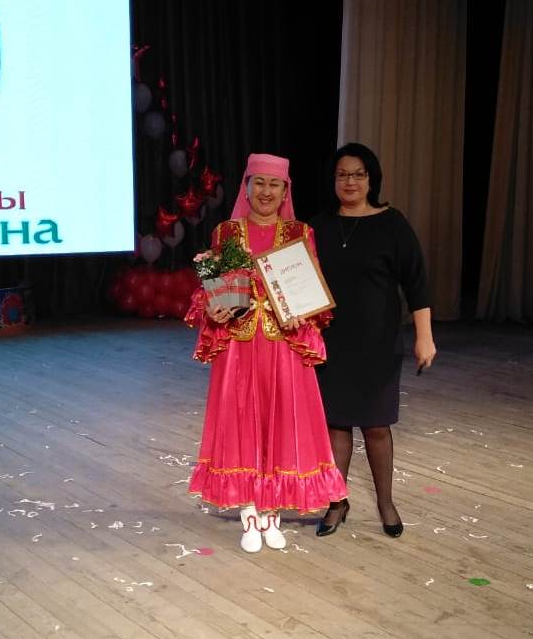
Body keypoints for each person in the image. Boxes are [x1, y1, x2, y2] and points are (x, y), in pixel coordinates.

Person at [185, 153, 348, 553]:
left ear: (285, 191)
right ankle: (249, 513)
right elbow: (213, 287)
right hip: (239, 348)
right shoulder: (227, 232)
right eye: (258, 182)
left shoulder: (299, 233)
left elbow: (313, 292)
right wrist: (212, 307)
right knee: (241, 423)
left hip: (283, 346)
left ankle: (272, 513)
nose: (266, 192)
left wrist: (305, 311)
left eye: (274, 184)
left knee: (282, 422)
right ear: (246, 187)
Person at [309, 142, 437, 538]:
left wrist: (425, 337)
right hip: (330, 342)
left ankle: (385, 502)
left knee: (377, 426)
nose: (350, 181)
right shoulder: (317, 227)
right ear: (333, 180)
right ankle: (337, 502)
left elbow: (416, 283)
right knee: (337, 425)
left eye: (358, 174)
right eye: (342, 174)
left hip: (379, 343)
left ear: (371, 179)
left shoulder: (392, 223)